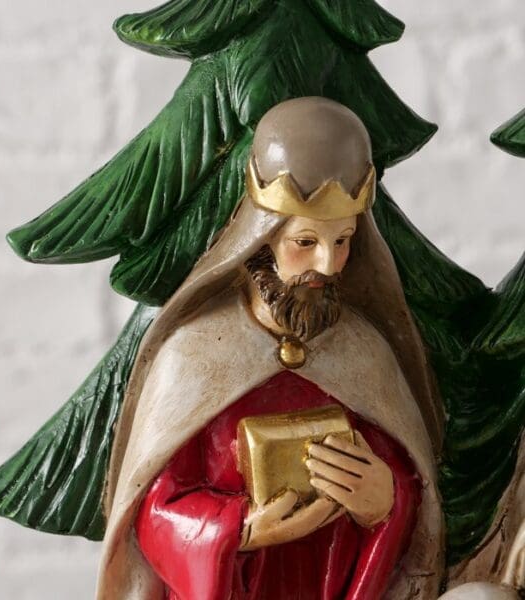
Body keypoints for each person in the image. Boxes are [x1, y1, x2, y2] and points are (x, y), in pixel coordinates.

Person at [96, 97, 445, 599]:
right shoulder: (194, 355)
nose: (327, 265)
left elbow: (404, 480)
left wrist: (386, 500)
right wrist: (238, 530)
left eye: (343, 241)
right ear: (261, 238)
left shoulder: (364, 353)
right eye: (305, 242)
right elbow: (153, 510)